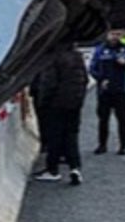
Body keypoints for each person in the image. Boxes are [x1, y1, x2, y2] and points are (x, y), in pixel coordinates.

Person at [29, 41, 88, 185]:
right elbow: (85, 79)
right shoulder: (77, 57)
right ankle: (75, 167)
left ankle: (52, 169)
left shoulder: (53, 58)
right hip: (74, 103)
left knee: (54, 136)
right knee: (71, 135)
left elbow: (48, 83)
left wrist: (43, 102)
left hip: (56, 104)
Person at [89, 28, 125, 155]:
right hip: (104, 91)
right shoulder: (100, 50)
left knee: (122, 119)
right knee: (103, 119)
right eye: (113, 34)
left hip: (121, 90)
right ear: (107, 34)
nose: (115, 37)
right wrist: (100, 79)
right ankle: (102, 145)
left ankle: (123, 145)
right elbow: (92, 68)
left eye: (118, 34)